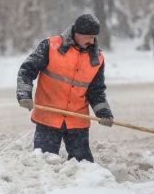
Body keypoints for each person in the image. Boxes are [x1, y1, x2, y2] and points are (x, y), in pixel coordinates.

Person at [16, 13, 114, 163]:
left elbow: (96, 91)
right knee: (42, 164)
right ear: (77, 34)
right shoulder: (50, 46)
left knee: (84, 166)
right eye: (89, 37)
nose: (92, 41)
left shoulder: (97, 59)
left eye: (94, 37)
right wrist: (24, 94)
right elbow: (27, 70)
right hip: (48, 117)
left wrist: (104, 112)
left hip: (78, 120)